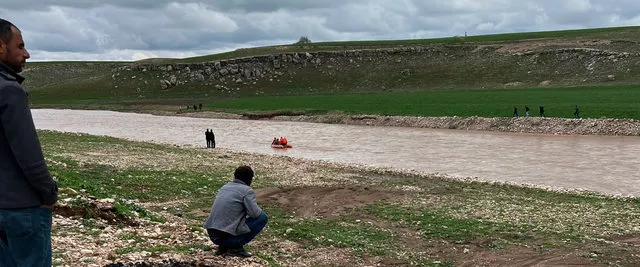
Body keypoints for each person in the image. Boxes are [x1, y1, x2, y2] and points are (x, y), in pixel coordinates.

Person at [0, 18, 59, 267]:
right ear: (1, 47)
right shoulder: (9, 90)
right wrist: (49, 192)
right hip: (22, 209)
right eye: (20, 46)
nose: (27, 54)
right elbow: (29, 155)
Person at [204, 166, 268, 258]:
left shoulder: (225, 187)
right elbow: (255, 214)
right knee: (262, 217)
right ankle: (235, 248)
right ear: (250, 179)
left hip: (213, 234)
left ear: (235, 177)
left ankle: (224, 247)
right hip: (224, 236)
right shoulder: (247, 191)